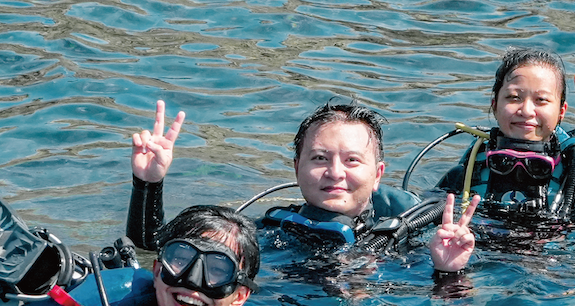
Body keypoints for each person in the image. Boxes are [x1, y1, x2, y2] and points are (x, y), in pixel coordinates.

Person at [126, 100, 429, 252]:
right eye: (320, 158)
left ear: (377, 175)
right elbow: (152, 244)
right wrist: (148, 182)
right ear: (297, 167)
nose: (335, 172)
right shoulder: (263, 234)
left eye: (352, 160)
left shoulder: (411, 239)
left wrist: (446, 270)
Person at [4, 204, 260, 306]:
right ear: (157, 271)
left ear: (239, 296)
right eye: (181, 260)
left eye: (217, 270)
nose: (193, 281)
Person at [434, 47, 575, 221]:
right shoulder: (469, 174)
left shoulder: (573, 176)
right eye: (513, 97)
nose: (527, 111)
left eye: (541, 100)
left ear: (561, 112)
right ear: (495, 105)